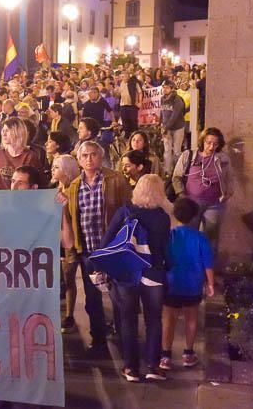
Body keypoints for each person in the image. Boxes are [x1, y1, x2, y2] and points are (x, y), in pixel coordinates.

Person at [63, 141, 131, 354]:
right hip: (88, 252)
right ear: (79, 160)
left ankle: (122, 335)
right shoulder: (73, 187)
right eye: (85, 156)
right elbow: (72, 217)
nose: (89, 159)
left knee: (117, 296)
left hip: (112, 250)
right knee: (92, 298)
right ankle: (98, 338)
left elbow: (128, 210)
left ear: (101, 157)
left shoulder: (115, 180)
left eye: (93, 155)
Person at [101, 174, 171, 382]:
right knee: (154, 320)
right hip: (153, 274)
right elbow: (164, 249)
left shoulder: (125, 212)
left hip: (127, 274)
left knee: (128, 320)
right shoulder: (162, 217)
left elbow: (107, 241)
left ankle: (131, 368)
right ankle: (152, 365)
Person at [160, 197, 215, 371]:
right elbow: (208, 264)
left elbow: (163, 259)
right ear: (194, 216)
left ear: (175, 215)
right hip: (193, 285)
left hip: (172, 284)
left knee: (169, 320)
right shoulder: (200, 237)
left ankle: (165, 356)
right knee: (192, 318)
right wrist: (211, 284)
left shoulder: (169, 236)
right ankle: (188, 354)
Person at [171, 127, 234, 252]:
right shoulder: (188, 155)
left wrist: (229, 192)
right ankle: (188, 264)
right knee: (189, 234)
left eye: (215, 144)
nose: (211, 147)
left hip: (214, 203)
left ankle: (207, 266)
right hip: (192, 202)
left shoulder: (223, 159)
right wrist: (182, 196)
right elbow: (176, 177)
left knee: (211, 237)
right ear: (202, 141)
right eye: (208, 143)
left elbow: (230, 177)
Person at [51, 154, 82, 334]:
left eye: (57, 167)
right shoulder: (53, 188)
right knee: (59, 279)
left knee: (69, 277)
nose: (53, 170)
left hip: (71, 240)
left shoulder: (74, 190)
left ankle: (69, 315)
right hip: (55, 239)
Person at [0, 117, 41, 190]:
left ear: (18, 132)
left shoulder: (30, 157)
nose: (4, 134)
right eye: (3, 130)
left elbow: (36, 184)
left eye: (7, 131)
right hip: (0, 198)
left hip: (21, 197)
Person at [160, 81, 186, 175]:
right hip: (167, 128)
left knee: (176, 151)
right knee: (167, 150)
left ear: (172, 88)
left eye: (167, 87)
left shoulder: (177, 99)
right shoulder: (163, 99)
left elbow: (175, 115)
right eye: (163, 87)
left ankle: (178, 171)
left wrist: (166, 126)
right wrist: (161, 124)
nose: (164, 89)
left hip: (177, 128)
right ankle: (167, 171)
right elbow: (162, 112)